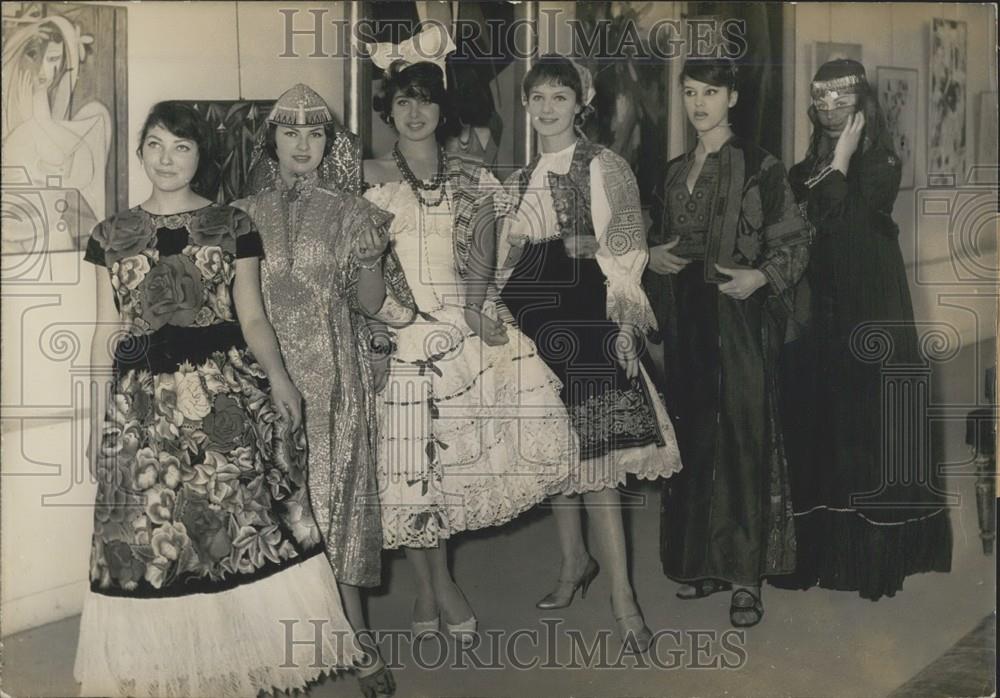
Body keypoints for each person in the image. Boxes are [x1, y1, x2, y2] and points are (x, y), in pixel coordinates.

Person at [75, 101, 361, 697]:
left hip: (223, 395)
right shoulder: (110, 234)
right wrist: (92, 418)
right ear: (140, 152)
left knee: (240, 527)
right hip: (142, 405)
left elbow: (253, 317)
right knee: (147, 534)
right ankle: (173, 671)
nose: (167, 158)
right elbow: (107, 331)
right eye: (155, 144)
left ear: (201, 156)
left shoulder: (231, 223)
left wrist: (281, 380)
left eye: (181, 146)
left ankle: (244, 663)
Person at [363, 39, 575, 648]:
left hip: (466, 324)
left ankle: (434, 587)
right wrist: (381, 325)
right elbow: (359, 268)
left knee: (452, 468)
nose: (415, 113)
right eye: (404, 101)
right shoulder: (369, 177)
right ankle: (440, 588)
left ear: (442, 111)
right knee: (413, 470)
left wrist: (479, 308)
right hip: (400, 331)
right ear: (389, 108)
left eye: (426, 102)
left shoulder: (471, 175)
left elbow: (491, 250)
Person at [235, 83, 417, 698]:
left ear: (329, 141)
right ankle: (274, 653)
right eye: (291, 132)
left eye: (315, 133)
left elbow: (373, 304)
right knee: (275, 511)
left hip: (336, 376)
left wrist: (370, 262)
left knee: (337, 506)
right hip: (264, 375)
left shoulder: (354, 210)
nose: (303, 145)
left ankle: (357, 640)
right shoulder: (242, 214)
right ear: (273, 141)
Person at [498, 54, 682, 654]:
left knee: (599, 458)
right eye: (538, 98)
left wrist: (625, 327)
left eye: (559, 96)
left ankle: (624, 598)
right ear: (526, 106)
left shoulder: (604, 165)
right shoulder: (521, 175)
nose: (547, 108)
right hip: (532, 317)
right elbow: (506, 259)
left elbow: (626, 248)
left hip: (583, 315)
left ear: (582, 102)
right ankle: (574, 562)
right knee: (557, 450)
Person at [772, 59, 952, 601]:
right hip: (818, 306)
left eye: (841, 100)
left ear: (861, 105)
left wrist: (845, 159)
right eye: (821, 101)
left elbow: (841, 220)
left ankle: (869, 563)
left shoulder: (880, 162)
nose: (830, 111)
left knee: (867, 426)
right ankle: (815, 556)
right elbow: (804, 225)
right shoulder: (802, 170)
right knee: (819, 420)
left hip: (871, 304)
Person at [646, 58, 812, 628]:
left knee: (744, 435)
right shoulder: (670, 171)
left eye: (710, 92)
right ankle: (703, 562)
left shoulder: (762, 166)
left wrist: (761, 278)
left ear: (732, 98)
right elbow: (647, 237)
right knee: (692, 434)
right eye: (690, 92)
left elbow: (793, 239)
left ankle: (746, 578)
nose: (699, 104)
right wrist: (651, 255)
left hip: (739, 312)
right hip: (685, 318)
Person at [1, 11, 111, 252]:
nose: (44, 69)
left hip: (49, 220)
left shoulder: (49, 103)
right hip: (18, 221)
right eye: (36, 57)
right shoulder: (16, 104)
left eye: (53, 59)